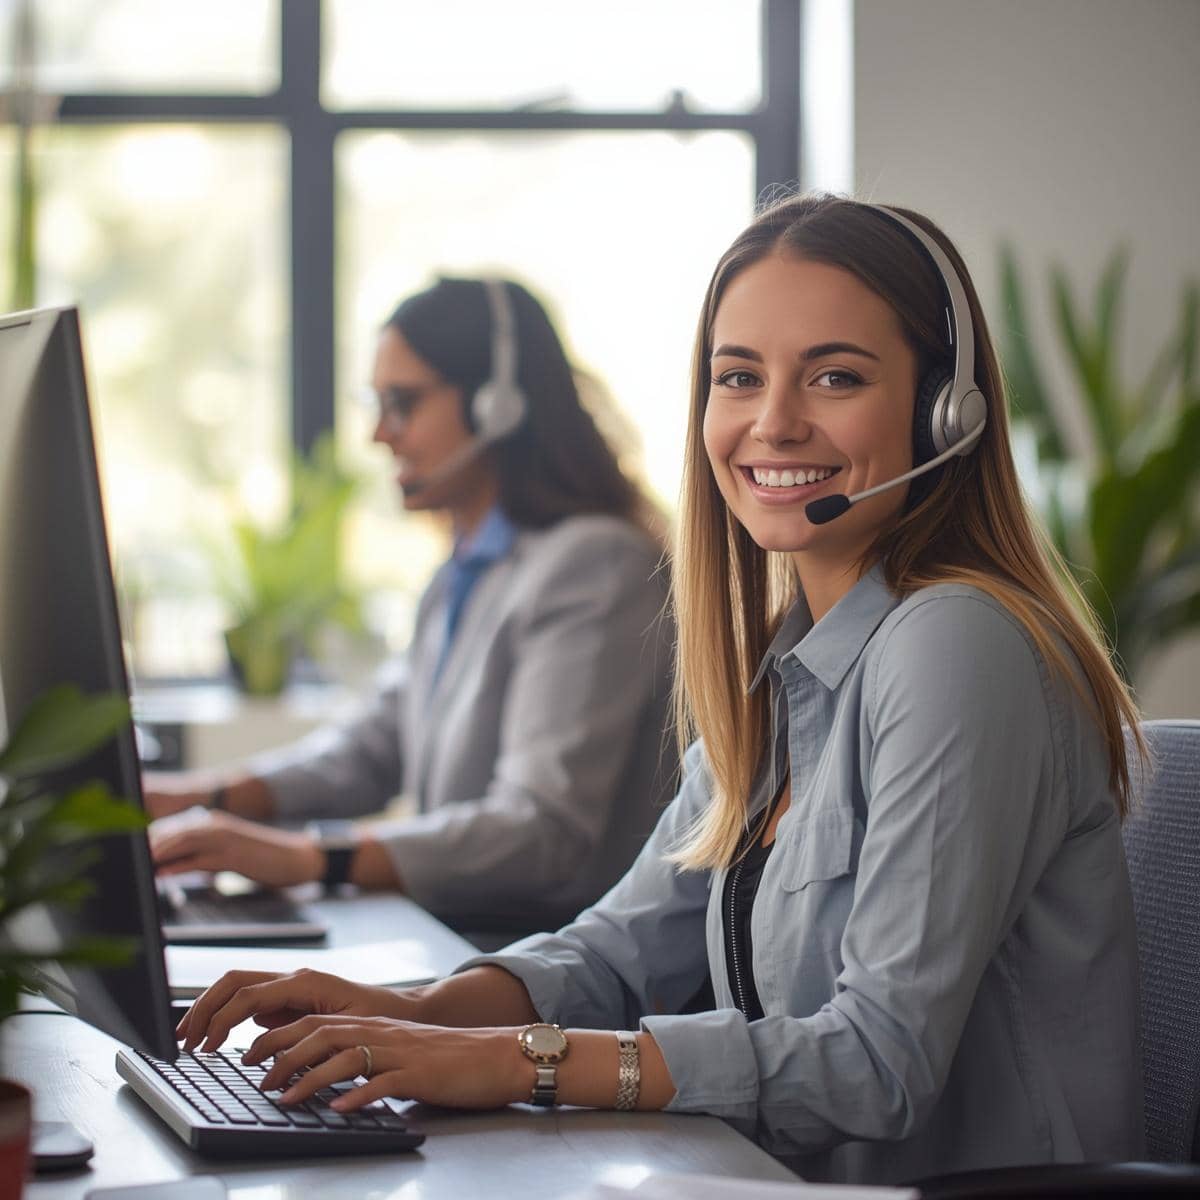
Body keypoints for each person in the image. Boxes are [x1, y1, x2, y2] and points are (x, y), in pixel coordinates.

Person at [174, 195, 1147, 1184]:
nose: (774, 423)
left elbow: (876, 1064)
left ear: (946, 409)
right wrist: (408, 1015)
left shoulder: (956, 643)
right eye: (739, 378)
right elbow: (617, 954)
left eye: (836, 376)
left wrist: (512, 1062)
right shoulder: (788, 672)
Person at [147, 276, 676, 941]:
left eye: (401, 403)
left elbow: (542, 829)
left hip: (543, 958)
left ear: (497, 405)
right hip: (468, 936)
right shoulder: (466, 569)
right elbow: (371, 751)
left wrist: (310, 857)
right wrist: (200, 799)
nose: (378, 434)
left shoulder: (595, 564)